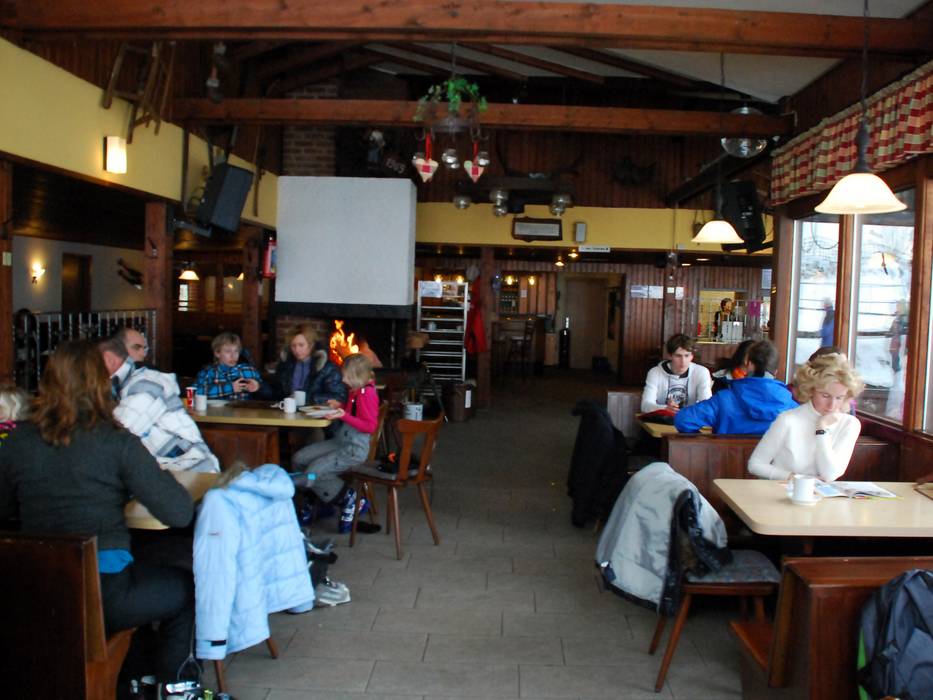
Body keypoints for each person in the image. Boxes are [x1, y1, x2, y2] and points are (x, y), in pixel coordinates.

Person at [0, 340, 195, 687]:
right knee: (184, 588)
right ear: (101, 383)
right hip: (106, 599)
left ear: (48, 382)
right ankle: (176, 686)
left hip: (36, 593)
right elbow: (179, 513)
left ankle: (132, 677)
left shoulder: (17, 441)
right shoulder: (116, 442)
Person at [101, 336, 220, 473]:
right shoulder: (119, 387)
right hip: (165, 472)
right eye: (137, 347)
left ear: (109, 358)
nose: (143, 353)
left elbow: (117, 435)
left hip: (190, 472)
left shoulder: (146, 383)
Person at [292, 353, 378, 533]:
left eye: (346, 376)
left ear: (357, 376)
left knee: (314, 472)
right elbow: (353, 413)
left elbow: (369, 426)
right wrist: (339, 407)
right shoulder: (355, 390)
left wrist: (343, 415)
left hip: (354, 448)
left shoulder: (367, 393)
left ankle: (352, 499)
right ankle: (322, 502)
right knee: (300, 459)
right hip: (341, 441)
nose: (343, 379)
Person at [748, 352, 864, 482]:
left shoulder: (850, 424)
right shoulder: (788, 420)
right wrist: (794, 478)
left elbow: (830, 475)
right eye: (825, 395)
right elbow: (755, 464)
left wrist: (821, 429)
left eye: (839, 398)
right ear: (811, 390)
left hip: (821, 493)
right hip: (782, 490)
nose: (832, 405)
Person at [675, 339, 797, 435]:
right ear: (775, 371)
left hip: (726, 458)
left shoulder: (724, 399)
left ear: (749, 364)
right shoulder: (792, 407)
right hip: (772, 461)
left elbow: (683, 420)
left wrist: (707, 442)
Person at [263, 323, 347, 405]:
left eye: (301, 345)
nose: (297, 350)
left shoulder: (327, 368)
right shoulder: (285, 365)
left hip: (315, 413)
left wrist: (306, 399)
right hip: (287, 411)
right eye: (293, 346)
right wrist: (260, 387)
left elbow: (339, 396)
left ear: (312, 345)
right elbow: (275, 393)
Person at [641, 334, 712, 414]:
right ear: (670, 356)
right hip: (663, 419)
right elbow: (645, 406)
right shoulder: (655, 372)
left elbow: (706, 406)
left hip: (690, 419)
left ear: (692, 356)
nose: (683, 361)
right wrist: (665, 408)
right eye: (678, 356)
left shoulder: (701, 372)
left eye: (687, 355)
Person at [195, 331, 262, 400]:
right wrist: (230, 388)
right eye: (228, 351)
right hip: (216, 407)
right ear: (217, 353)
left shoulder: (247, 369)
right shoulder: (208, 372)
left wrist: (258, 386)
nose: (233, 356)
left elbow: (266, 392)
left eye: (236, 351)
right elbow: (196, 392)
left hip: (243, 407)